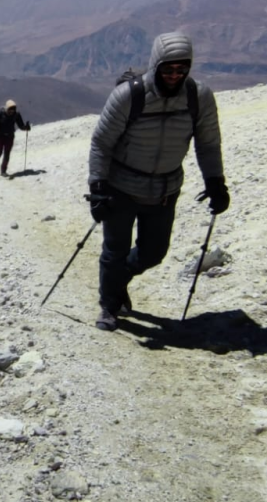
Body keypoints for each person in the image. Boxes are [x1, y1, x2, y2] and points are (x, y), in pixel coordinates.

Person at [87, 32, 227, 331]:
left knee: (154, 252)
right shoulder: (129, 95)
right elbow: (101, 143)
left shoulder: (198, 97)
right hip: (121, 186)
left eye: (181, 69)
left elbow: (208, 143)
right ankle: (109, 306)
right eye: (168, 68)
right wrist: (98, 186)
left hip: (165, 189)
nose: (174, 75)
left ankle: (118, 279)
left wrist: (215, 182)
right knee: (115, 249)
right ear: (156, 64)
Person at [0, 100, 31, 177]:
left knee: (7, 154)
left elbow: (21, 126)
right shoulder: (0, 114)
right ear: (7, 108)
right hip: (0, 136)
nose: (11, 112)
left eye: (13, 110)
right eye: (10, 110)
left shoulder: (16, 115)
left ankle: (3, 171)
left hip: (10, 136)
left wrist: (26, 128)